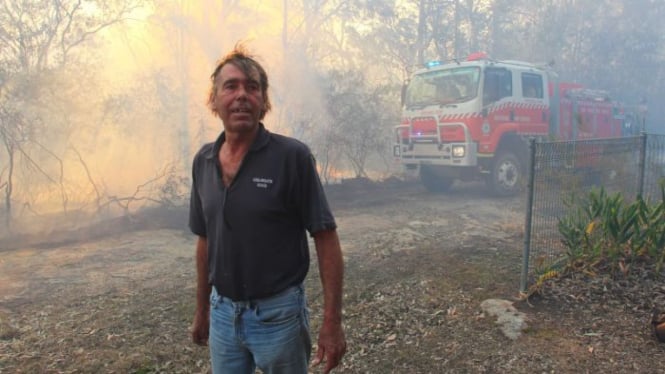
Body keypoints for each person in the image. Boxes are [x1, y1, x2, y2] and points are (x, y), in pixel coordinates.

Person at [188, 44, 346, 374]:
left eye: (252, 87)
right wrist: (202, 310)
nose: (242, 95)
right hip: (222, 316)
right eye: (231, 86)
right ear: (214, 101)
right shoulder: (203, 161)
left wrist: (332, 323)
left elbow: (326, 238)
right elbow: (205, 241)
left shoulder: (292, 158)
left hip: (279, 317)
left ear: (264, 102)